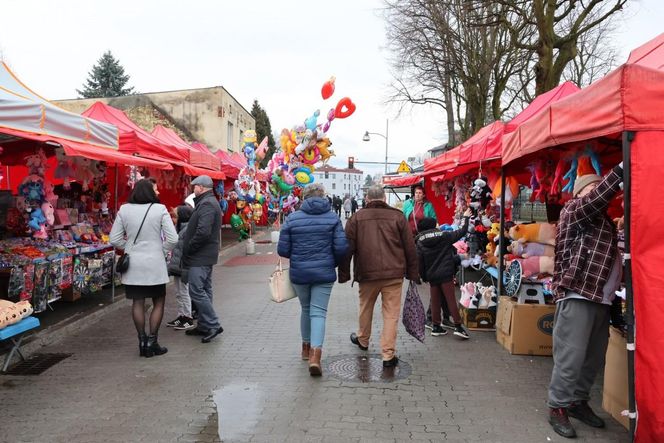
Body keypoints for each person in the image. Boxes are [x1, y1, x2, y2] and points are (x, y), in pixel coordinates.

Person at [547, 163, 624, 439]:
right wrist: (619, 172)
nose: (597, 193)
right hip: (578, 293)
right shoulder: (574, 210)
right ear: (580, 193)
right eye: (592, 188)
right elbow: (594, 200)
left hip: (602, 299)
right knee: (571, 356)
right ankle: (557, 407)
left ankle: (578, 402)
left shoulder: (604, 222)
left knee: (592, 358)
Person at [339, 185, 419, 368]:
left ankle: (363, 340)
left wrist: (344, 273)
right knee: (391, 315)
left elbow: (347, 248)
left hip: (367, 274)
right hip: (394, 274)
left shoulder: (356, 218)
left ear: (367, 199)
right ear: (384, 198)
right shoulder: (398, 217)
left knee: (365, 307)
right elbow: (410, 248)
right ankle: (388, 355)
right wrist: (413, 273)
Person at [277, 183, 348, 376]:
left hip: (299, 273)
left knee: (306, 309)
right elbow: (342, 248)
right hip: (324, 273)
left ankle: (305, 349)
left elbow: (282, 250)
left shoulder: (292, 218)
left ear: (304, 198)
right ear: (323, 196)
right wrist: (330, 260)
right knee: (318, 313)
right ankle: (316, 356)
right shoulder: (333, 218)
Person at [110, 179, 178, 358]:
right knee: (158, 301)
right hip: (154, 263)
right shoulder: (160, 209)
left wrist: (129, 246)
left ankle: (142, 341)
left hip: (134, 264)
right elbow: (173, 239)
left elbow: (114, 239)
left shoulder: (124, 209)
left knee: (137, 302)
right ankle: (152, 341)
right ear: (150, 192)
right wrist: (160, 249)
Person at [415, 213, 472, 339]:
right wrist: (466, 218)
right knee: (450, 299)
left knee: (435, 300)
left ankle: (436, 326)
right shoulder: (444, 235)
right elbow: (462, 231)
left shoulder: (420, 241)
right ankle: (458, 326)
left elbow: (420, 261)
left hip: (432, 275)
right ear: (432, 226)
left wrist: (424, 276)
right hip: (446, 273)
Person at [182, 175, 224, 343]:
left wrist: (190, 247)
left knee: (197, 290)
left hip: (200, 255)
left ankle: (213, 324)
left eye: (195, 187)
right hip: (205, 254)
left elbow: (203, 232)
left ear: (201, 187)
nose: (193, 190)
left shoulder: (206, 204)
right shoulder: (208, 202)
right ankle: (204, 324)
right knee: (204, 289)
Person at [166, 204, 195, 331]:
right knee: (179, 292)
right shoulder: (180, 229)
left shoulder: (187, 230)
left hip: (183, 266)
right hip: (178, 266)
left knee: (184, 292)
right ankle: (181, 315)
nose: (173, 219)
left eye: (175, 216)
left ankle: (188, 317)